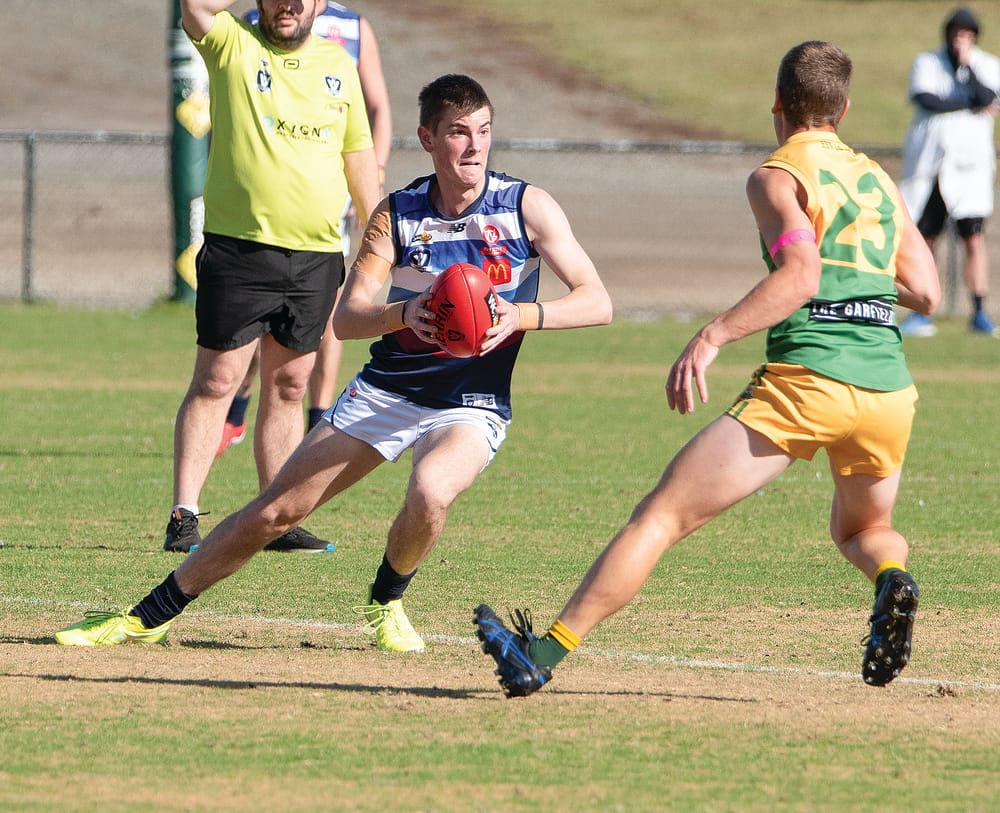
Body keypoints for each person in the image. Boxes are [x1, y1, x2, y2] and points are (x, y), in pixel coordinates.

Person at [52, 74, 613, 652]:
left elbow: (597, 300)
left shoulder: (526, 207)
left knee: (430, 489)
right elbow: (347, 318)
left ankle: (386, 600)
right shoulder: (397, 216)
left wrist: (519, 317)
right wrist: (407, 313)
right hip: (386, 392)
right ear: (427, 139)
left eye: (483, 132)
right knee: (276, 513)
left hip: (472, 401)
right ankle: (146, 616)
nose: (473, 146)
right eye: (457, 133)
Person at [474, 41, 941, 697]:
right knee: (864, 530)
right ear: (845, 108)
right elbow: (927, 288)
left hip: (812, 380)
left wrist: (713, 334)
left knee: (662, 515)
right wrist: (859, 273)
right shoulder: (877, 181)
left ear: (778, 105)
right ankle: (893, 574)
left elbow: (802, 274)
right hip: (889, 388)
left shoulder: (777, 176)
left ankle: (540, 652)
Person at [162, 0, 381, 555]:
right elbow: (195, 6)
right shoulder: (232, 42)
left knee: (288, 387)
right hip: (240, 251)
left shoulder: (338, 63)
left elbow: (357, 153)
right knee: (217, 382)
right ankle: (183, 516)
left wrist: (381, 237)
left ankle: (275, 516)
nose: (287, 5)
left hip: (315, 257)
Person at [217, 1, 394, 459]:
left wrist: (371, 186)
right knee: (253, 340)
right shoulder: (256, 24)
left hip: (326, 215)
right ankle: (237, 405)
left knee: (327, 321)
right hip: (254, 226)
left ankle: (319, 416)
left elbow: (376, 110)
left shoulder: (353, 29)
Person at [899, 6, 1000, 338]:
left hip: (970, 169)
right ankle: (923, 309)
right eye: (956, 34)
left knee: (973, 238)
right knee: (927, 238)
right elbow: (927, 99)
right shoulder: (927, 62)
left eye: (966, 35)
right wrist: (969, 103)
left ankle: (980, 312)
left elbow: (989, 96)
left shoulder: (987, 65)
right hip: (932, 166)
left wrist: (967, 66)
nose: (960, 40)